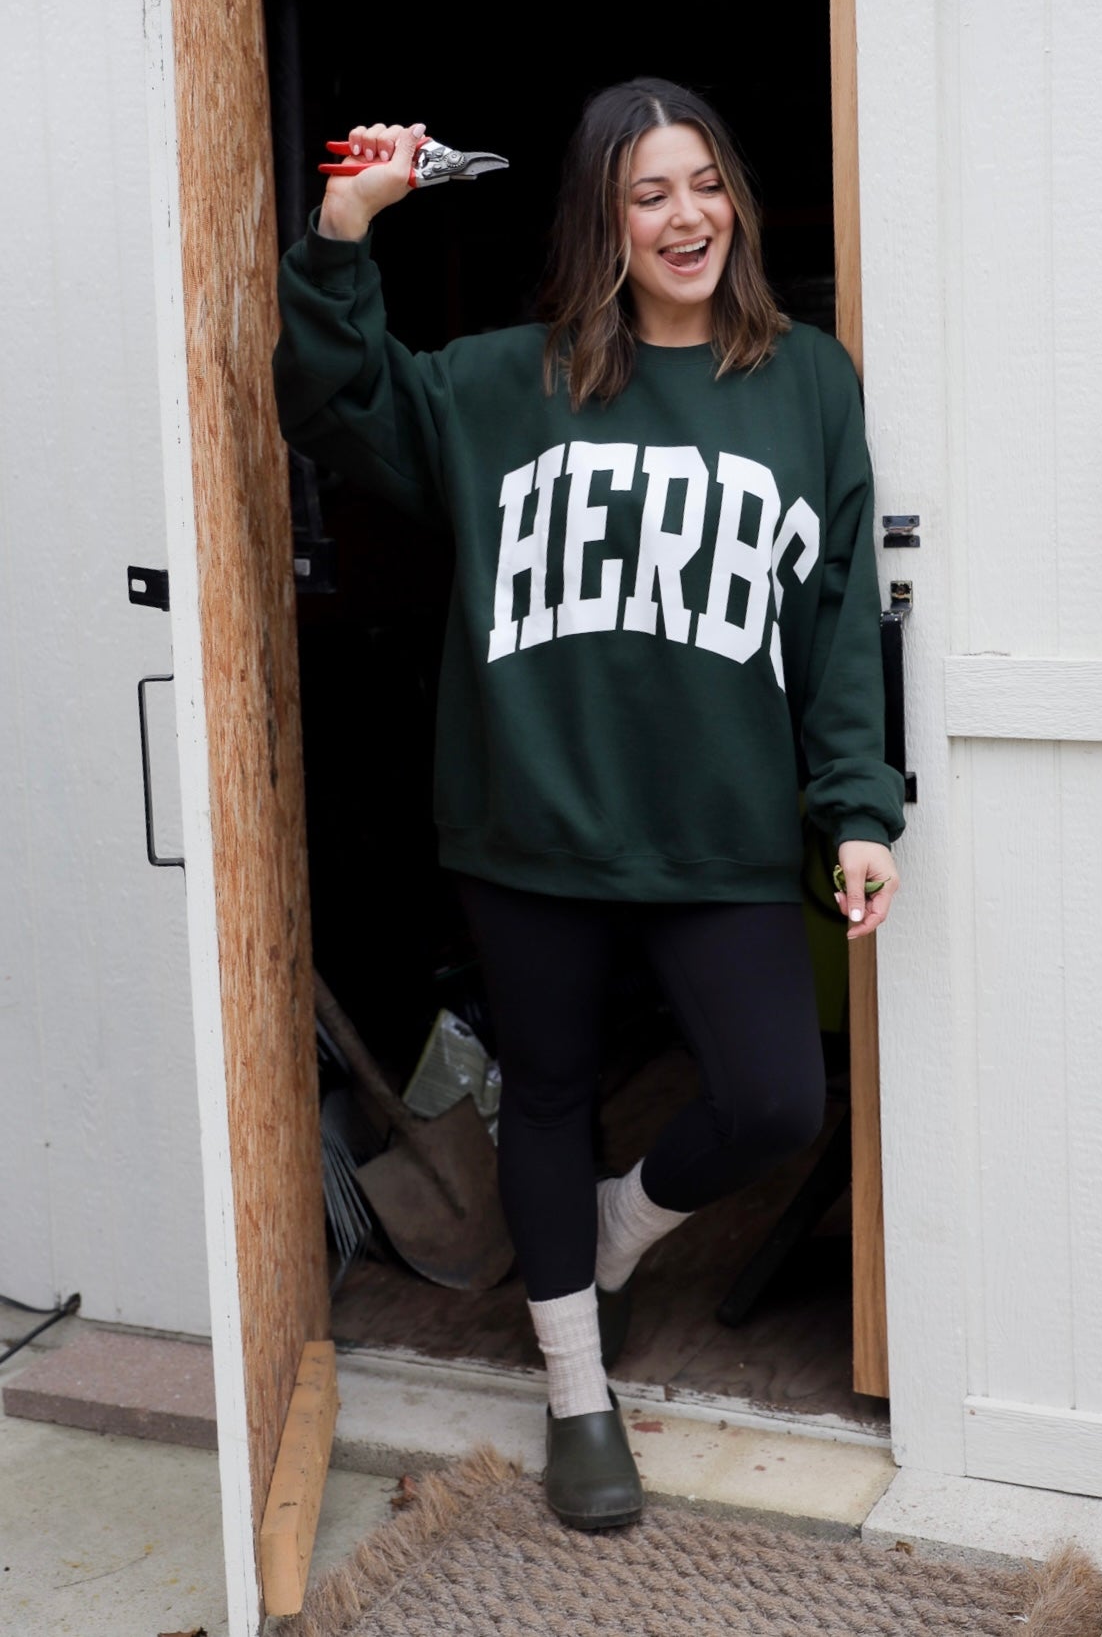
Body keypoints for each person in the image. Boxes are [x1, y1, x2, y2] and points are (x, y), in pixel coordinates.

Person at [273, 77, 905, 1532]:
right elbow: (335, 397)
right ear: (600, 224)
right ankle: (574, 1393)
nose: (686, 217)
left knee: (772, 1097)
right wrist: (343, 230)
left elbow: (832, 612)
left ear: (736, 202)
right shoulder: (507, 382)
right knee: (548, 1095)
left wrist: (856, 807)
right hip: (532, 820)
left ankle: (613, 1230)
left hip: (720, 828)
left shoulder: (807, 381)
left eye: (705, 184)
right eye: (647, 194)